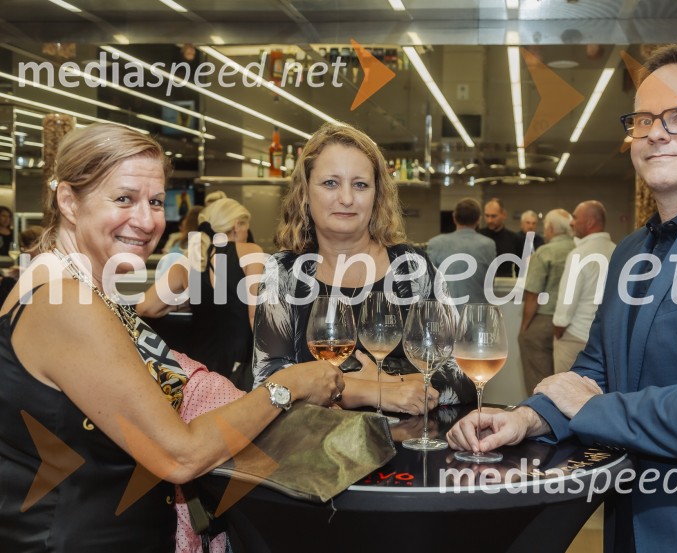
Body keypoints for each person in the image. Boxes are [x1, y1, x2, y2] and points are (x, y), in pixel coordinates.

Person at [448, 43, 677, 552]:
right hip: (631, 520)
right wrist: (527, 417)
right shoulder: (632, 251)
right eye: (643, 119)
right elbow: (595, 370)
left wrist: (589, 409)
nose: (656, 132)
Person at [0, 122, 343, 551]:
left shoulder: (57, 281)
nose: (146, 221)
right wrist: (286, 387)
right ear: (69, 200)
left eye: (156, 201)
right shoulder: (67, 301)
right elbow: (181, 455)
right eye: (124, 198)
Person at [253, 121, 475, 413]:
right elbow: (267, 383)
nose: (346, 198)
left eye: (360, 184)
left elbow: (465, 375)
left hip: (409, 450)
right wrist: (375, 391)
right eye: (330, 183)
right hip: (314, 452)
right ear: (306, 193)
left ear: (377, 195)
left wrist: (382, 380)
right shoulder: (282, 273)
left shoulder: (414, 269)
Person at [140, 198, 263, 388]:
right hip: (239, 370)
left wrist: (185, 300)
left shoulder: (188, 260)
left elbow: (146, 307)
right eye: (247, 226)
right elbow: (256, 317)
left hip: (200, 371)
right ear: (237, 226)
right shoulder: (250, 252)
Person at [551, 200, 615, 373]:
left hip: (574, 338)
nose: (571, 222)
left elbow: (567, 303)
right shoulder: (617, 251)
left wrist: (558, 332)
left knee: (563, 397)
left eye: (575, 217)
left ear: (590, 222)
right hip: (604, 340)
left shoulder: (579, 254)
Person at [518, 208, 574, 395]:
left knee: (539, 379)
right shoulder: (579, 249)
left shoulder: (545, 252)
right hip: (573, 323)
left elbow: (533, 294)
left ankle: (538, 414)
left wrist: (525, 327)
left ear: (550, 228)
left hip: (544, 320)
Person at [426, 198, 496, 305]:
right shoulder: (488, 245)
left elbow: (428, 283)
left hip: (444, 314)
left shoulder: (435, 243)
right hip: (476, 314)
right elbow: (490, 282)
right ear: (478, 219)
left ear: (454, 218)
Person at [478, 198, 523, 278]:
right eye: (487, 216)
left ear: (504, 215)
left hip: (506, 284)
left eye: (493, 216)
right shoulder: (478, 236)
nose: (489, 220)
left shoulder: (514, 238)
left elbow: (520, 268)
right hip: (481, 284)